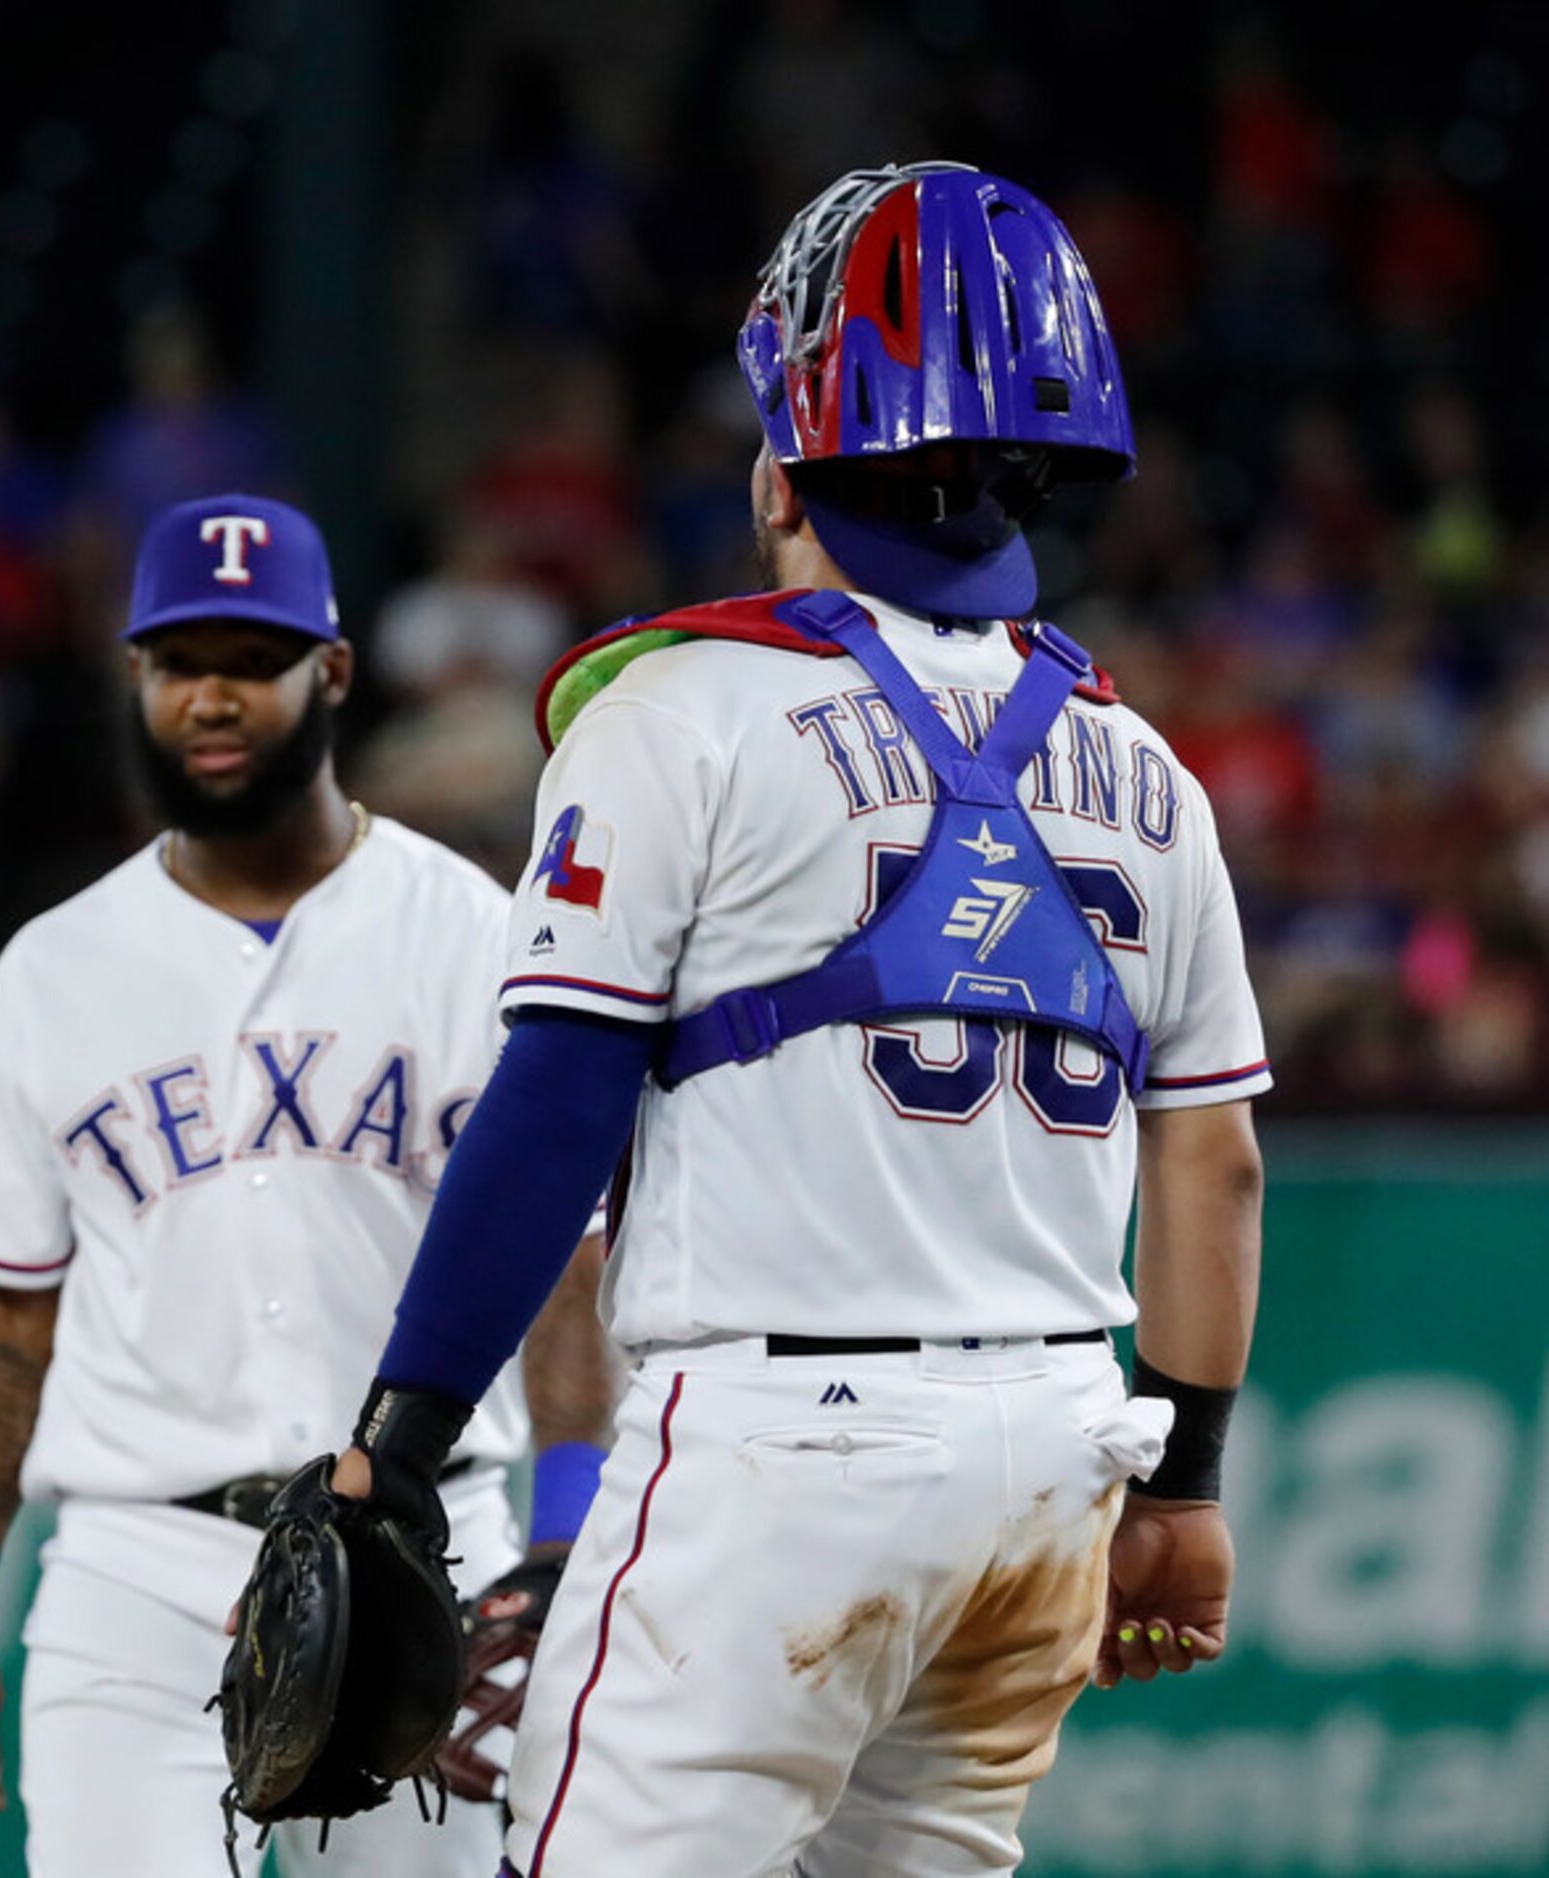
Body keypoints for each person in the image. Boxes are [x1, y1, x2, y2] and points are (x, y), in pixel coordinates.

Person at [291, 163, 1270, 1876]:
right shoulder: (1151, 774)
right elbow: (1219, 1167)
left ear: (783, 453)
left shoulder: (679, 711)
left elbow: (555, 1110)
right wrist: (1180, 1484)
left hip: (779, 1454)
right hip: (1054, 1458)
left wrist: (401, 1444)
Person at [0, 493, 617, 1877]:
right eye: (180, 662)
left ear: (329, 674)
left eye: (250, 658)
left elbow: (565, 1271)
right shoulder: (55, 964)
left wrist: (562, 1542)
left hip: (426, 1552)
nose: (211, 697)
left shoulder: (468, 926)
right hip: (135, 1577)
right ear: (136, 678)